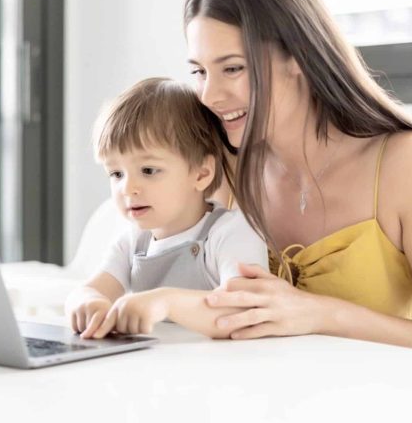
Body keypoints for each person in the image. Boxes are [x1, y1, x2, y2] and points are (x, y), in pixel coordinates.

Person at [180, 0, 412, 360]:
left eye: (233, 68)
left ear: (297, 57)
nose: (210, 96)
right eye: (199, 72)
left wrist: (321, 313)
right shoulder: (227, 167)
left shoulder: (406, 165)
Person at [65, 78, 268, 339]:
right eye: (116, 174)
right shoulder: (133, 240)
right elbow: (87, 290)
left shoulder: (231, 231)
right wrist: (88, 303)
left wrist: (166, 303)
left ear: (201, 173)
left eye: (148, 170)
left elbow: (244, 311)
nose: (128, 188)